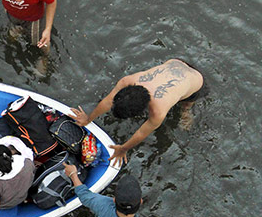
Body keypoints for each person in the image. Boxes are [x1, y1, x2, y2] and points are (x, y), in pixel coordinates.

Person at [69, 58, 205, 167]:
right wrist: (88, 119)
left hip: (196, 81)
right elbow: (107, 101)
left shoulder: (158, 111)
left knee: (186, 102)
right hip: (177, 63)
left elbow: (141, 132)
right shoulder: (127, 81)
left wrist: (123, 148)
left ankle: (186, 111)